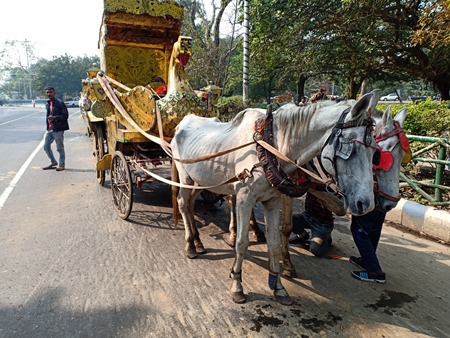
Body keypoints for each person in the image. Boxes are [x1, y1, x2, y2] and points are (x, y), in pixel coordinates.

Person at [289, 193, 334, 257]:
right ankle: (303, 235)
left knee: (316, 251)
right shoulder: (310, 183)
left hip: (322, 223)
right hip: (307, 216)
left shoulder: (330, 186)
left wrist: (314, 186)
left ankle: (327, 238)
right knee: (289, 219)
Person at [349, 209, 386, 283]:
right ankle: (366, 261)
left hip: (369, 201)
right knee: (373, 229)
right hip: (383, 201)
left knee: (359, 231)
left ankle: (374, 271)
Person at [42, 86, 69, 171]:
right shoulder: (47, 103)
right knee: (46, 146)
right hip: (49, 129)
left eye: (50, 92)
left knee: (59, 148)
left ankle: (61, 164)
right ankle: (53, 161)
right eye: (47, 92)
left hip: (58, 128)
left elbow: (65, 116)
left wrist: (55, 117)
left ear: (54, 93)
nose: (48, 94)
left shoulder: (60, 103)